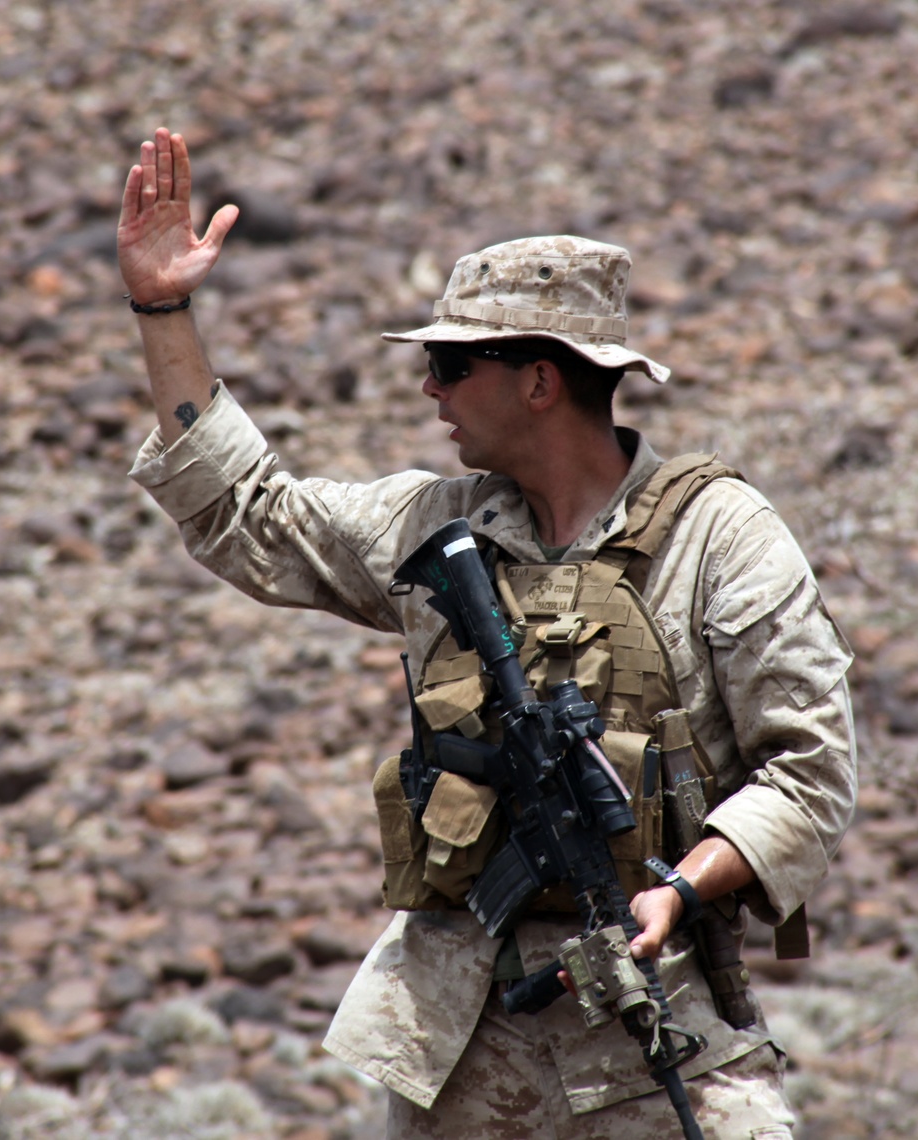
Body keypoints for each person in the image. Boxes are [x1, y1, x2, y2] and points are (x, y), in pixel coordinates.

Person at [119, 128, 856, 1139]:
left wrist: (685, 887)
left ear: (540, 381)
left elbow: (807, 774)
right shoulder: (436, 527)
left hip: (658, 1029)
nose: (429, 388)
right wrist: (163, 309)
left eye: (451, 363)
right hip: (461, 1048)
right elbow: (243, 512)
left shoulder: (720, 538)